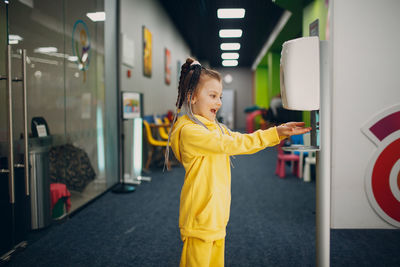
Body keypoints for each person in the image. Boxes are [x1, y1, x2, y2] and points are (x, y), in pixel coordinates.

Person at [166, 58, 311, 267]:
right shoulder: (190, 132)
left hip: (216, 215)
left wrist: (278, 133)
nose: (219, 102)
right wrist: (275, 132)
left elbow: (233, 139)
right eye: (213, 96)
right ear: (192, 97)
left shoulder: (213, 127)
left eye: (220, 97)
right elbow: (235, 143)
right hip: (200, 218)